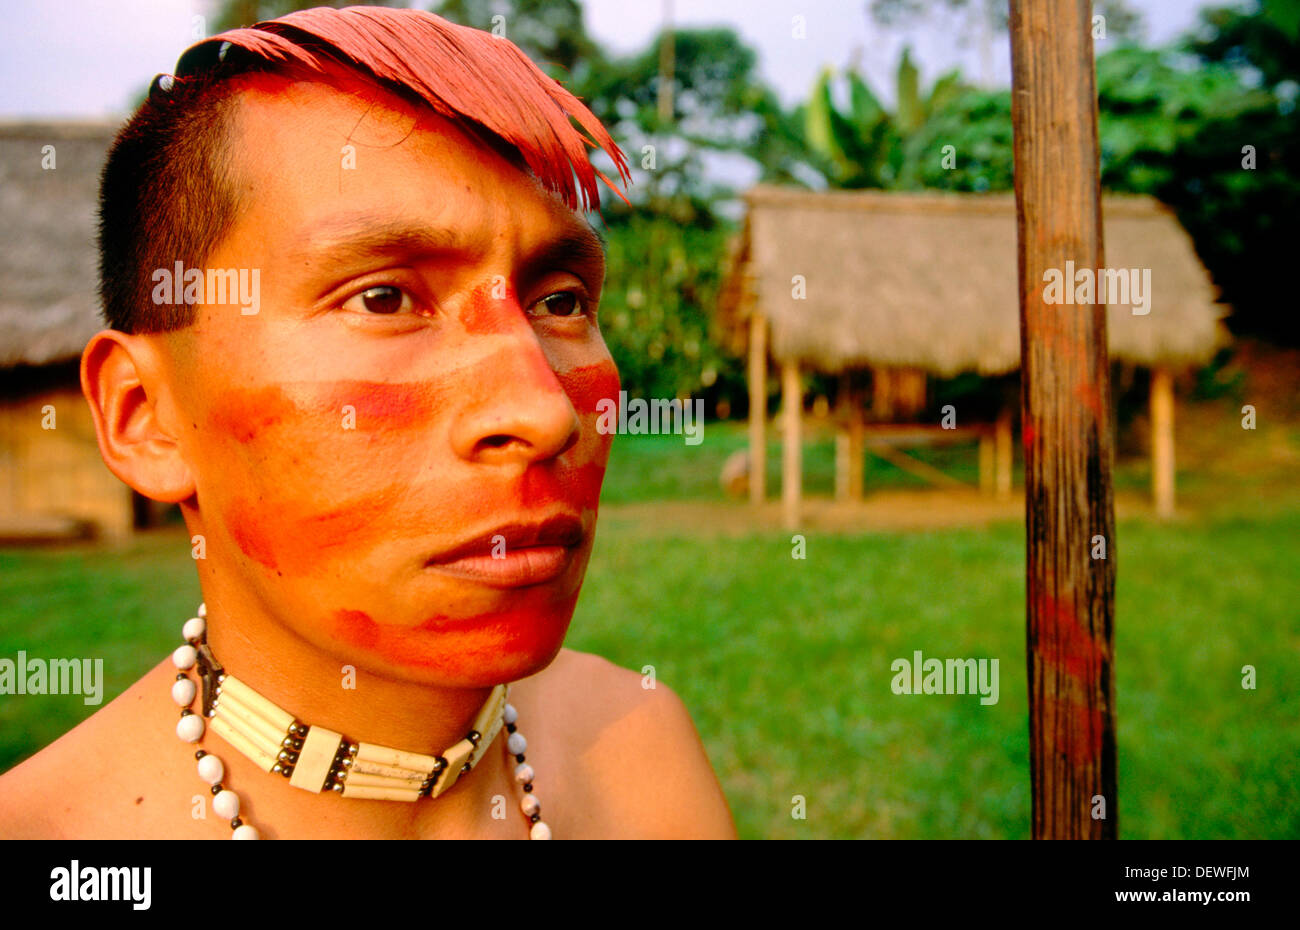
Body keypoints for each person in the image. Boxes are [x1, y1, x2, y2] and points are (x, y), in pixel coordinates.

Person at [0, 6, 736, 840]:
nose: (543, 412)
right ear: (147, 418)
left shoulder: (640, 748)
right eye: (383, 298)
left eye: (559, 301)